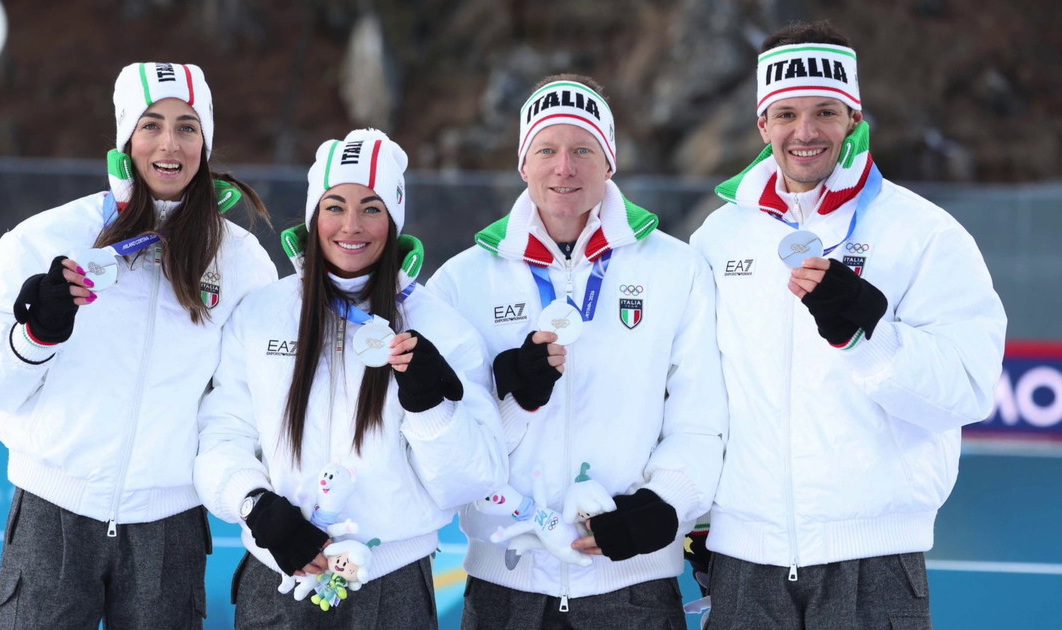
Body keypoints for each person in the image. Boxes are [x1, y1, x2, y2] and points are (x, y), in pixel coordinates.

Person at [688, 21, 1007, 629]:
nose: (804, 132)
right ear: (763, 125)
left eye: (825, 112)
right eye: (785, 114)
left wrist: (870, 334)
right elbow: (698, 392)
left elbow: (967, 389)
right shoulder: (719, 236)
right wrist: (699, 516)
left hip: (873, 557)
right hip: (743, 561)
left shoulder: (925, 234)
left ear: (855, 118)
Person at [0, 62, 278, 629]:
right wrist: (35, 336)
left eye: (187, 127)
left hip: (169, 527)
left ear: (207, 140)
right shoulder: (47, 236)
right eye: (151, 125)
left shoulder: (241, 259)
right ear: (127, 136)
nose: (169, 144)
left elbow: (261, 394)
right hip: (54, 517)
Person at [428, 74, 729, 628]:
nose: (563, 167)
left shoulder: (675, 269)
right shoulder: (460, 282)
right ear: (523, 163)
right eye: (546, 149)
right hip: (505, 586)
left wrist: (665, 504)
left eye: (582, 150)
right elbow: (447, 440)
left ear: (609, 161)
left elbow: (703, 417)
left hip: (633, 582)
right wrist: (511, 397)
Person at [193, 128, 508, 629]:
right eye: (335, 206)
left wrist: (432, 410)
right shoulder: (262, 314)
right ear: (315, 214)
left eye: (372, 208)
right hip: (282, 580)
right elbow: (221, 436)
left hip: (393, 588)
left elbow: (474, 481)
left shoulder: (439, 326)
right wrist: (255, 505)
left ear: (395, 219)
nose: (351, 225)